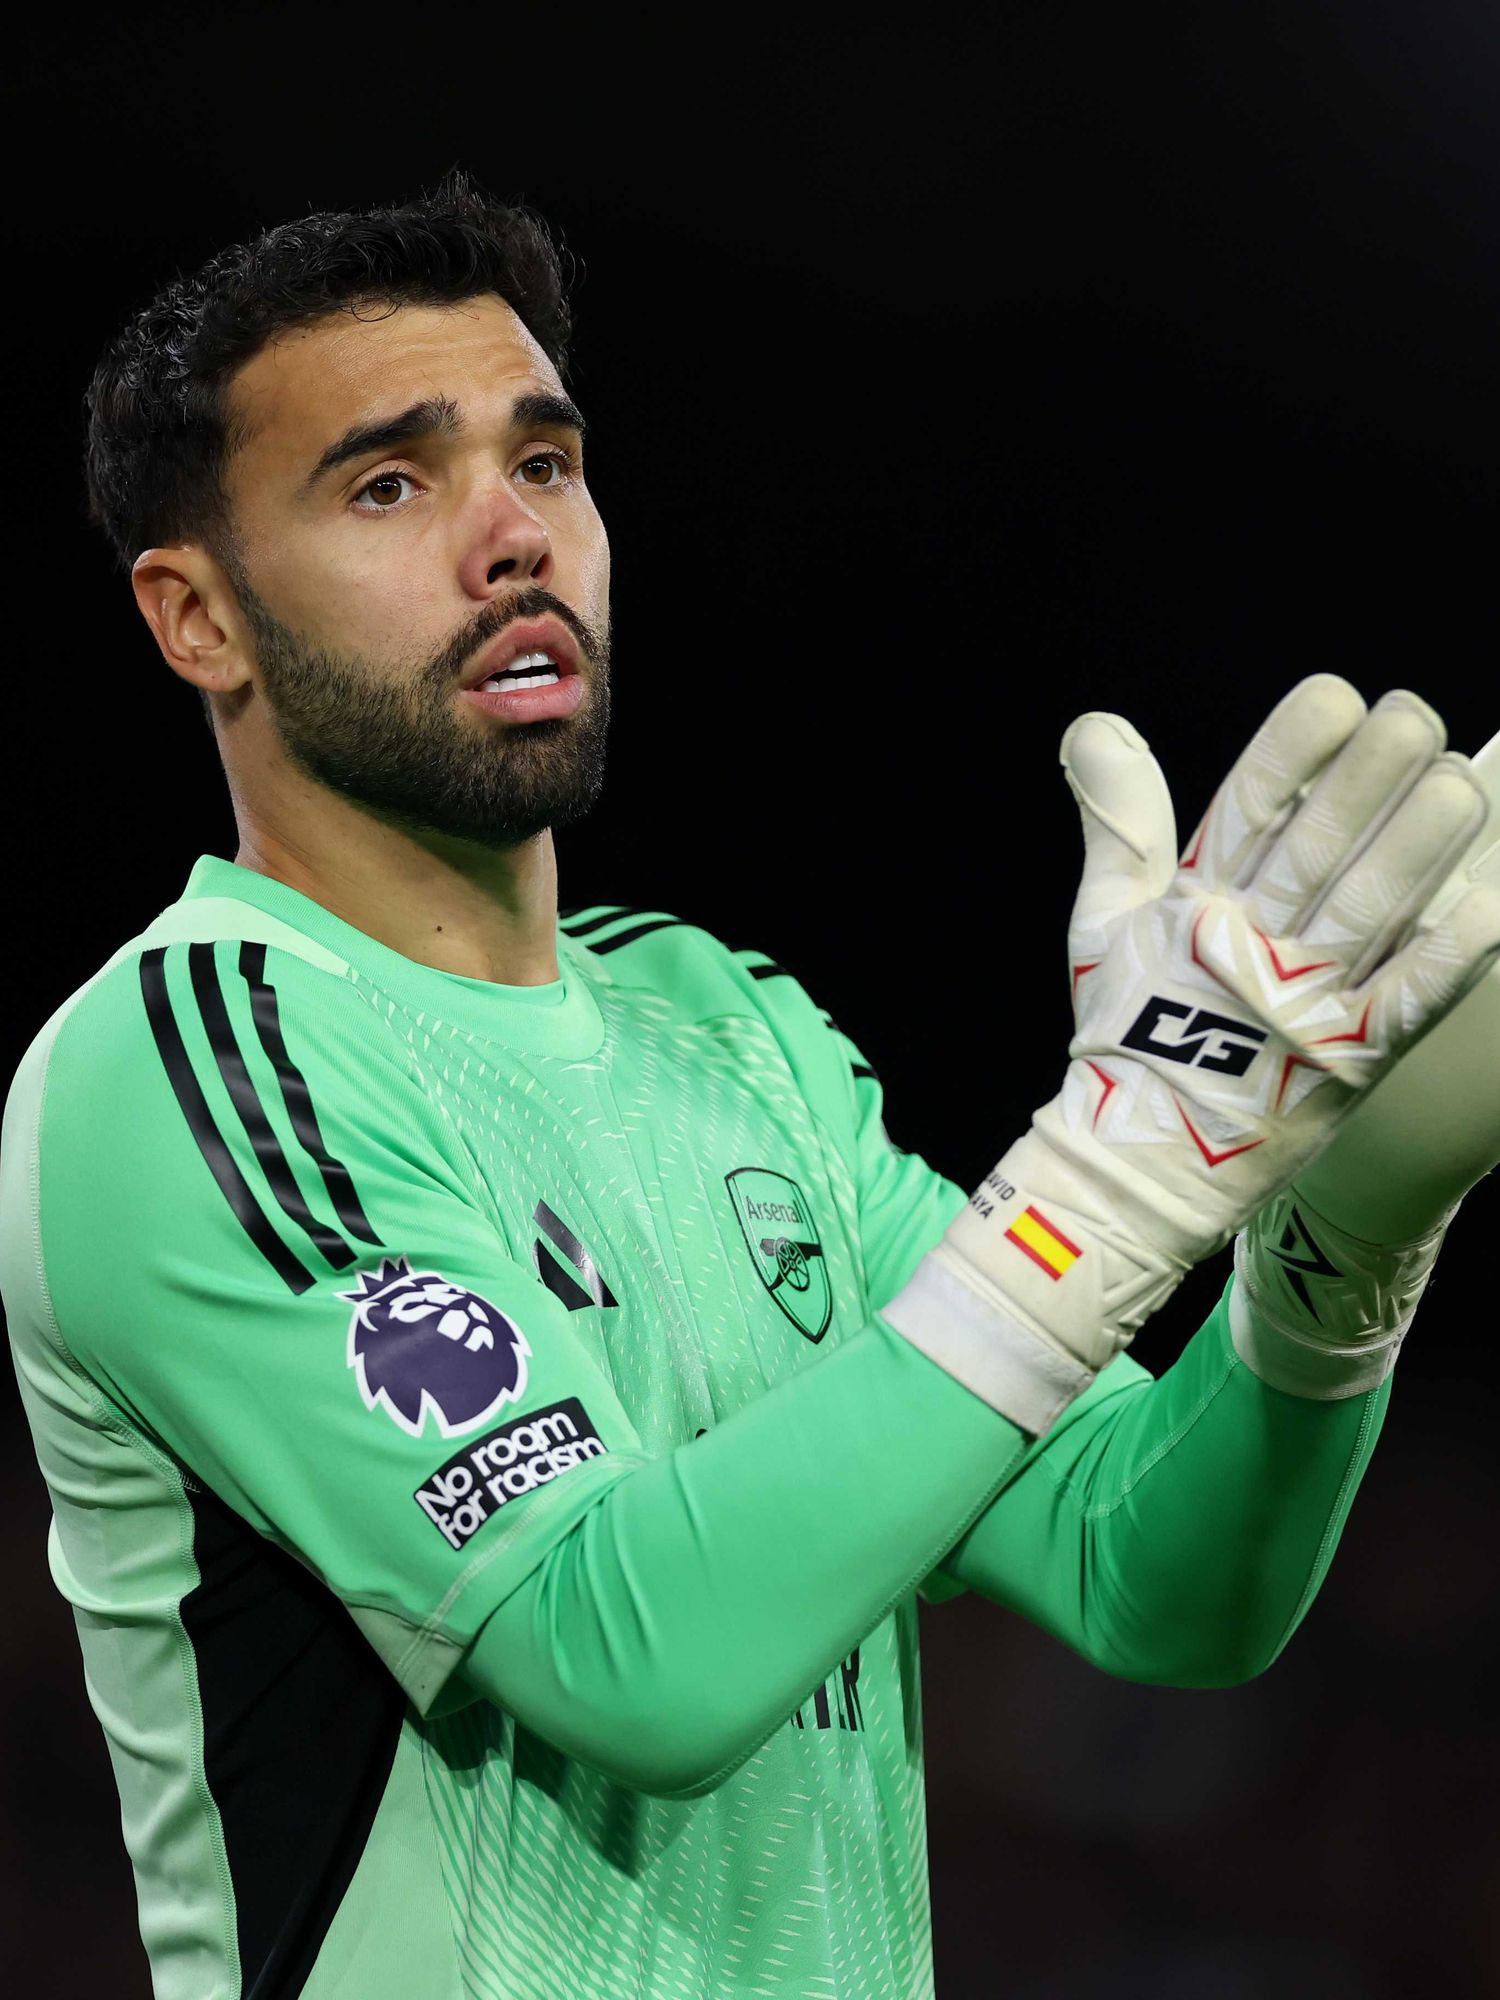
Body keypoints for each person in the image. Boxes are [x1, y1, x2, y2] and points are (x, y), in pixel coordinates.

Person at [4, 173, 1500, 2000]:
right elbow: (626, 1657)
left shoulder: (727, 1026)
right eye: (391, 483)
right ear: (196, 619)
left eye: (545, 464)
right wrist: (1127, 1164)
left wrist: (1334, 1239)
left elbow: (1150, 1577)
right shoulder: (191, 1065)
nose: (513, 538)